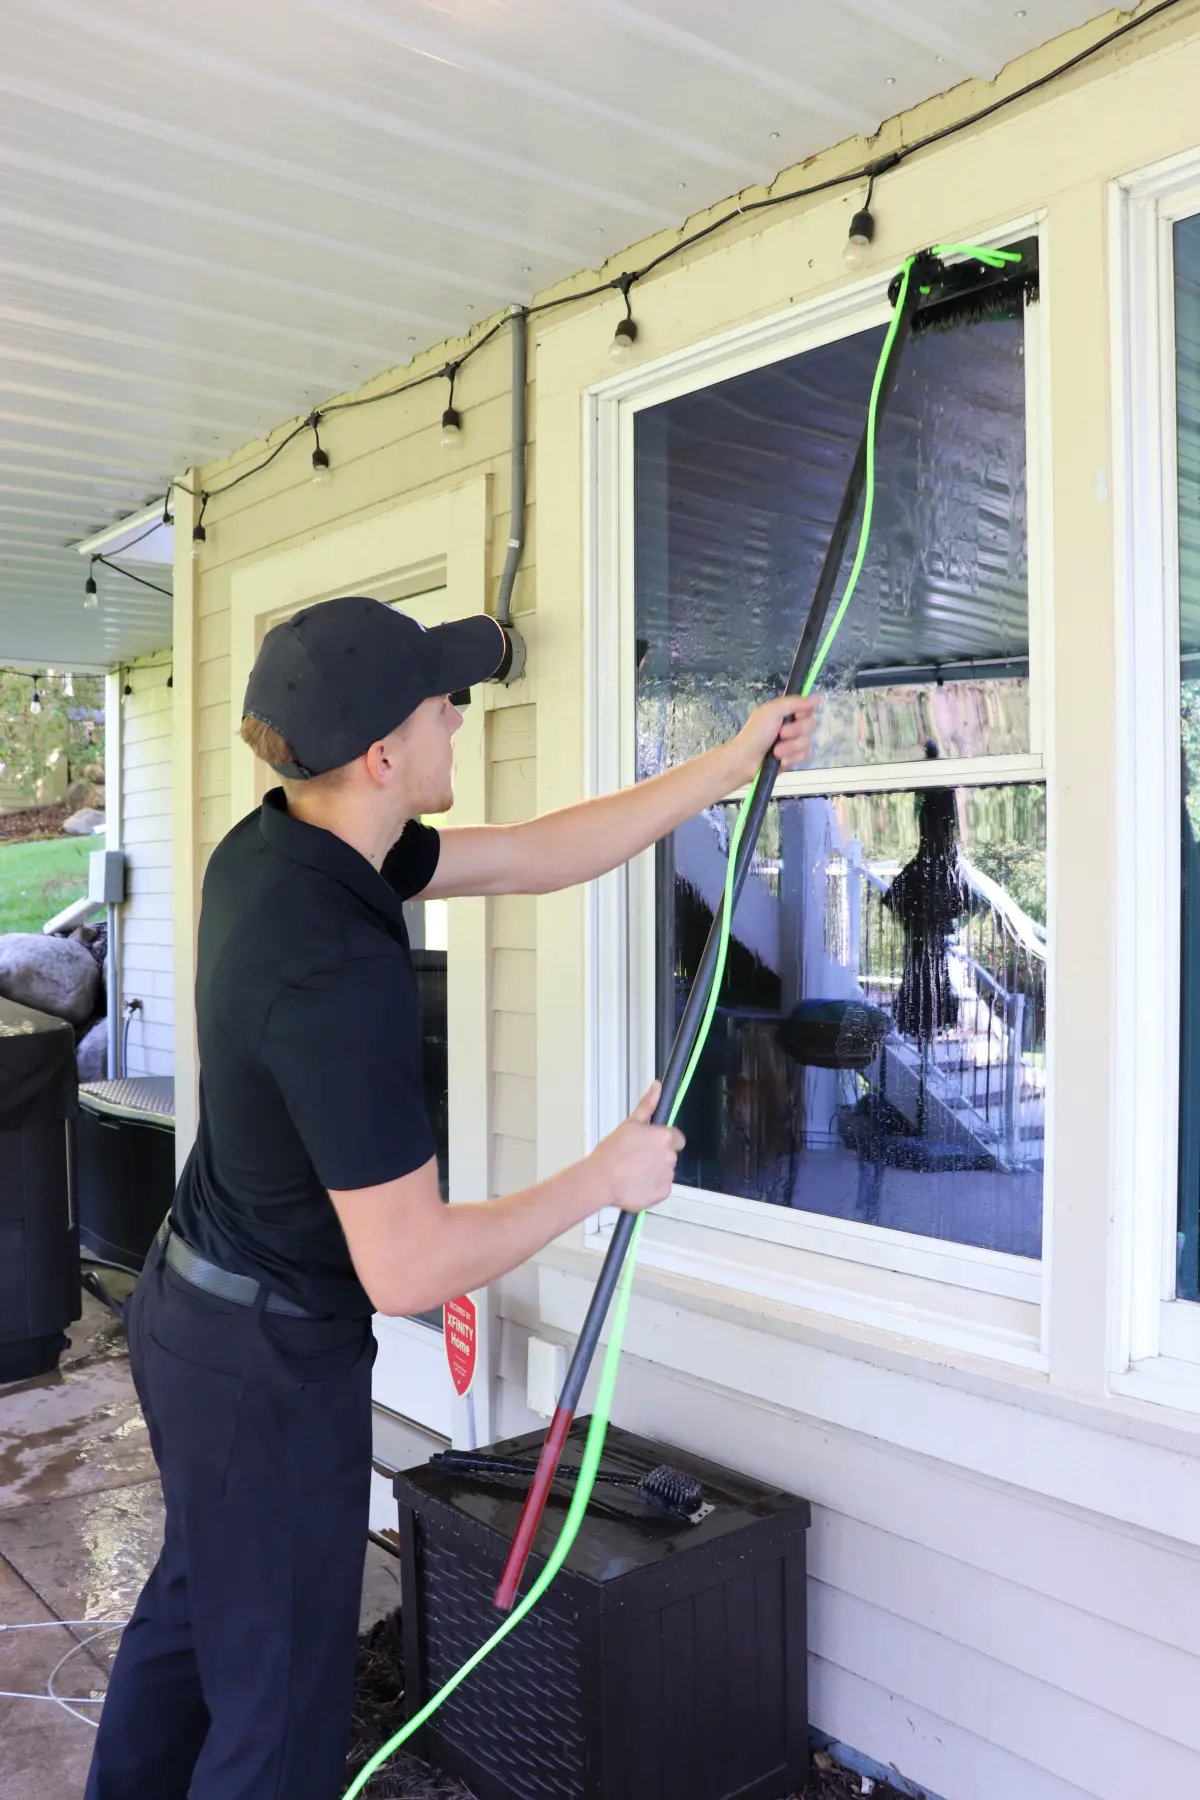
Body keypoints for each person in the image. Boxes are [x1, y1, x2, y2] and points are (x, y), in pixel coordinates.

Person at [86, 595, 815, 1800]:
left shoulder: (291, 843)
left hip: (197, 1318)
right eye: (443, 703)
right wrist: (603, 1177)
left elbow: (538, 854)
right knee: (277, 1721)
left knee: (196, 1617)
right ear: (384, 755)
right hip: (263, 1369)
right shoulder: (333, 968)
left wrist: (729, 764)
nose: (459, 714)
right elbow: (410, 1267)